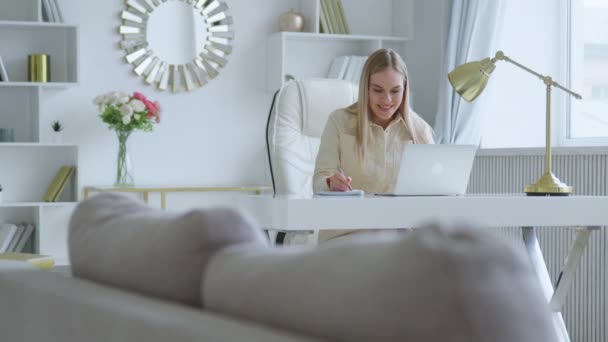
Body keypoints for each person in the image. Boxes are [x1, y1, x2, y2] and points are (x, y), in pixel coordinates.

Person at [313, 48, 435, 242]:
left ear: (405, 89)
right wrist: (330, 183)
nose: (387, 100)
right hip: (349, 232)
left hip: (400, 233)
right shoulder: (339, 121)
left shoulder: (420, 131)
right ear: (365, 88)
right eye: (378, 90)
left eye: (395, 91)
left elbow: (433, 190)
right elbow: (320, 177)